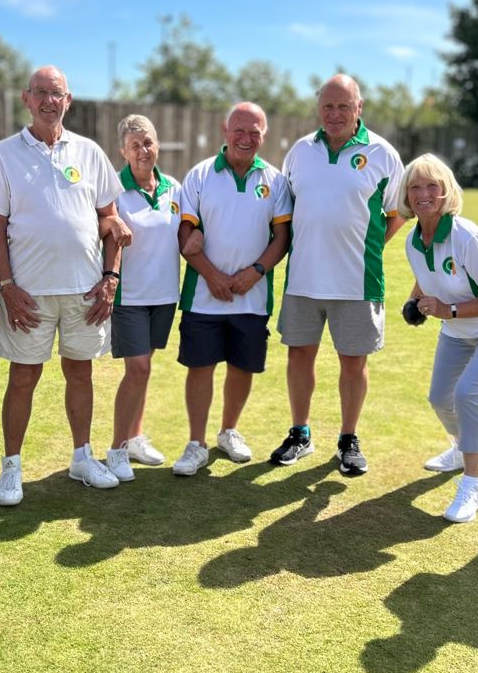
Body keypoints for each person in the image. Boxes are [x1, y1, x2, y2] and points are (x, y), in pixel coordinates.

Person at [0, 66, 130, 504]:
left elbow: (110, 219)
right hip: (27, 291)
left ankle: (82, 458)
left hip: (85, 289)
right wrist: (5, 285)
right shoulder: (5, 154)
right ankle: (11, 467)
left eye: (58, 94)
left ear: (69, 101)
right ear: (27, 99)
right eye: (41, 93)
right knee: (24, 376)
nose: (50, 101)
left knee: (80, 372)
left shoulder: (89, 152)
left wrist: (111, 278)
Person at [271, 74, 405, 474]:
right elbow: (286, 209)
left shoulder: (382, 153)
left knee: (353, 364)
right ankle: (300, 434)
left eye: (343, 106)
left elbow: (397, 213)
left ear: (359, 108)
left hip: (357, 281)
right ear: (318, 108)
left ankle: (348, 439)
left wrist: (372, 247)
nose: (335, 114)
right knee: (299, 356)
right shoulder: (300, 152)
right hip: (304, 279)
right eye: (328, 106)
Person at [399, 154, 478, 522]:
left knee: (466, 394)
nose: (423, 193)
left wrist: (448, 311)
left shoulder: (467, 237)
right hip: (457, 330)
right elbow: (426, 273)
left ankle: (472, 486)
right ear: (407, 196)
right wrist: (414, 300)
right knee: (439, 397)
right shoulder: (412, 240)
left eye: (432, 186)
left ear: (446, 192)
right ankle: (460, 448)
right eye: (415, 187)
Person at [172, 102, 292, 476]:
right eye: (239, 130)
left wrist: (255, 272)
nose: (246, 138)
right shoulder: (200, 175)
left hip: (252, 297)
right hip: (203, 297)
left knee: (243, 367)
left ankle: (228, 432)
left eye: (254, 132)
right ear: (226, 131)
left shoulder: (276, 180)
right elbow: (184, 233)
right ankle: (195, 443)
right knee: (200, 367)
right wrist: (212, 275)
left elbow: (282, 237)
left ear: (264, 135)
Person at [106, 114, 183, 474]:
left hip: (164, 295)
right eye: (135, 145)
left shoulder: (174, 188)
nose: (143, 150)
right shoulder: (113, 191)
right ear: (123, 151)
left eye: (148, 142)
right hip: (129, 297)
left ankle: (135, 437)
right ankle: (117, 450)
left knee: (145, 369)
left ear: (158, 144)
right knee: (137, 369)